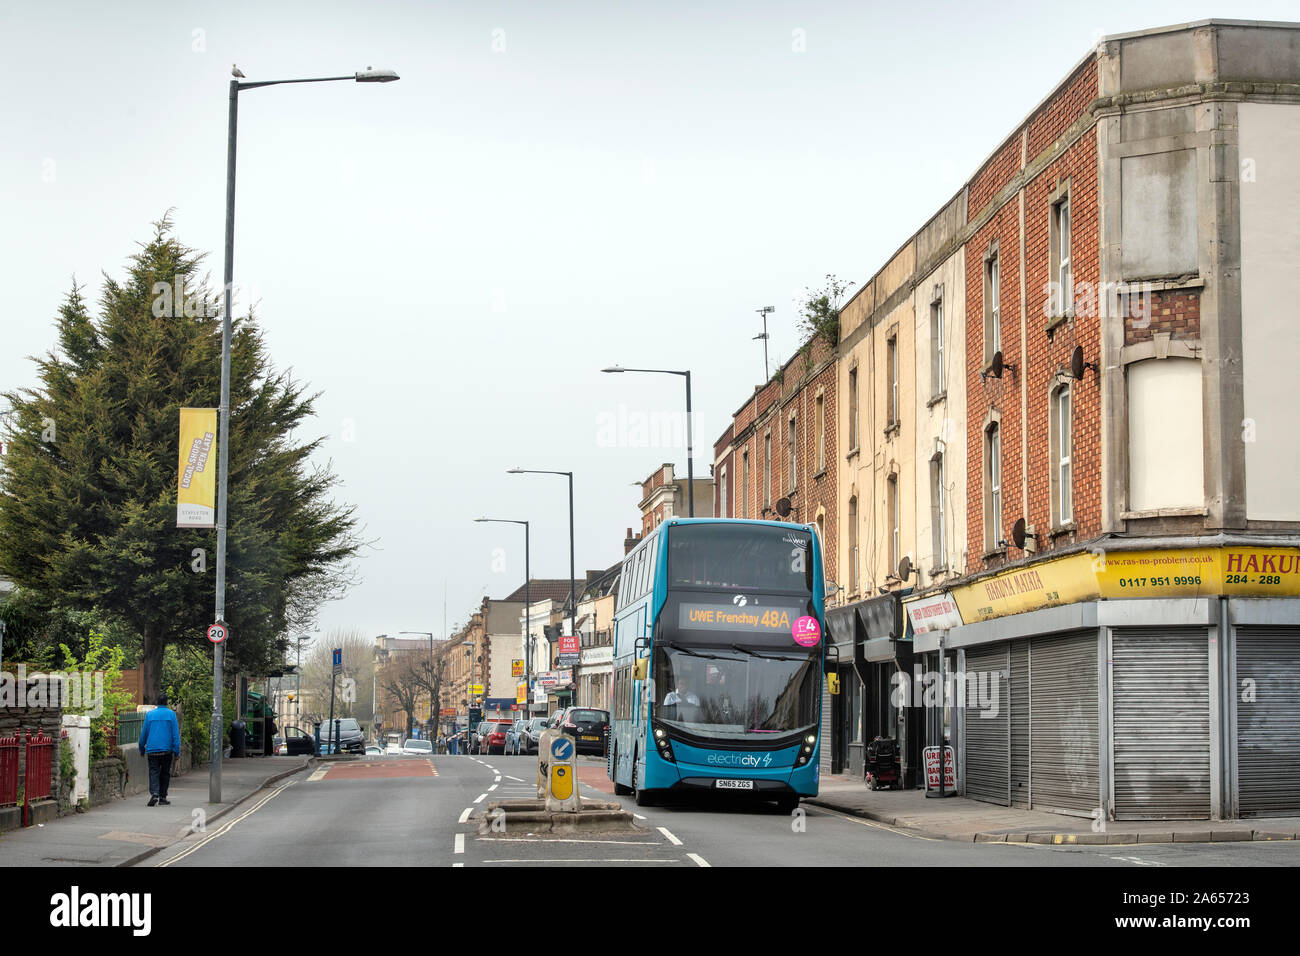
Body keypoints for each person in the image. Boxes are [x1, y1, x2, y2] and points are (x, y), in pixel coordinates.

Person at [138, 693, 182, 806]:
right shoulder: (171, 715)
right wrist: (177, 752)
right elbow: (175, 735)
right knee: (165, 773)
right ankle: (162, 797)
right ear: (166, 702)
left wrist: (141, 748)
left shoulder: (150, 715)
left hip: (152, 750)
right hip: (167, 750)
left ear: (157, 702)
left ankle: (154, 794)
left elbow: (144, 734)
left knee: (153, 772)